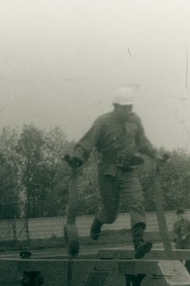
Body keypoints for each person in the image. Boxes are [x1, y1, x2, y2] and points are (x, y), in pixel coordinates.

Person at [65, 86, 161, 259]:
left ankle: (138, 242)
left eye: (130, 107)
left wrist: (156, 155)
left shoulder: (135, 120)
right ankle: (98, 222)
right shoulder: (103, 121)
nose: (127, 111)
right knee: (111, 215)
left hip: (129, 171)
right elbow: (87, 142)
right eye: (124, 107)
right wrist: (77, 158)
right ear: (115, 106)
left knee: (137, 201)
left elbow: (143, 142)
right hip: (108, 173)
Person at [173, 208, 190, 273]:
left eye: (182, 214)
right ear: (177, 216)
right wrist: (179, 223)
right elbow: (175, 231)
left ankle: (188, 269)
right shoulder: (176, 223)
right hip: (179, 242)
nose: (181, 215)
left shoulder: (188, 222)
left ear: (184, 214)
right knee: (179, 255)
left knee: (188, 254)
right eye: (179, 214)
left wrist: (186, 235)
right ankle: (180, 269)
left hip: (186, 241)